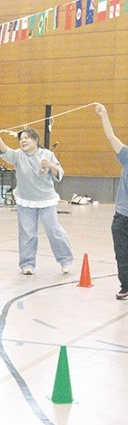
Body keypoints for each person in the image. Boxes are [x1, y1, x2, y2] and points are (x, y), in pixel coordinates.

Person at [0, 127, 73, 275]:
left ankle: (65, 260)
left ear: (35, 140)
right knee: (27, 234)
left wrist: (50, 166)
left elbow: (59, 173)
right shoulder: (18, 155)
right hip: (25, 201)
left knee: (54, 231)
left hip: (46, 200)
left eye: (26, 138)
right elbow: (5, 151)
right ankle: (27, 264)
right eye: (21, 139)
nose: (23, 141)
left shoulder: (47, 154)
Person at [95, 103, 128, 300]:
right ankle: (126, 285)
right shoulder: (127, 155)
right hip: (123, 215)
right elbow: (111, 137)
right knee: (122, 253)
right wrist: (104, 115)